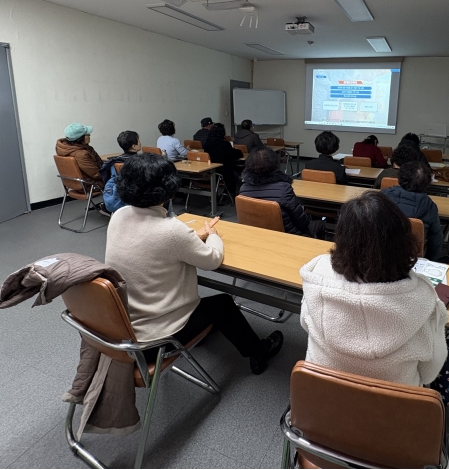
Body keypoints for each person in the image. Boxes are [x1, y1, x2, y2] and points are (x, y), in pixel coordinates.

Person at [105, 153, 283, 375]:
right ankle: (258, 351)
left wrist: (190, 237)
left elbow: (154, 246)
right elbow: (212, 260)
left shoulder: (119, 215)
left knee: (211, 306)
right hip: (155, 341)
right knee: (224, 304)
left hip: (125, 329)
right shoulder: (171, 230)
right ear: (168, 187)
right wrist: (212, 234)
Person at [299, 191, 448, 386]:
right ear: (403, 242)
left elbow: (304, 323)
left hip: (323, 403)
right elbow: (429, 374)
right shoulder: (423, 298)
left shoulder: (317, 272)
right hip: (393, 411)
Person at [240, 147, 325, 238]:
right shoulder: (284, 189)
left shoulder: (243, 189)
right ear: (274, 165)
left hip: (258, 235)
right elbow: (302, 222)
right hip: (288, 237)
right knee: (320, 224)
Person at [381, 161, 445, 262]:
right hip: (413, 259)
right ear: (427, 183)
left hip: (380, 255)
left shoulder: (382, 197)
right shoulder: (429, 206)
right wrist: (429, 261)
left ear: (400, 178)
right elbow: (436, 242)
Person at [203, 122, 244, 196]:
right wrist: (236, 150)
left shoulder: (207, 143)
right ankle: (231, 193)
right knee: (235, 172)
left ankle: (226, 192)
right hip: (224, 171)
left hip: (211, 170)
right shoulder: (224, 144)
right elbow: (236, 154)